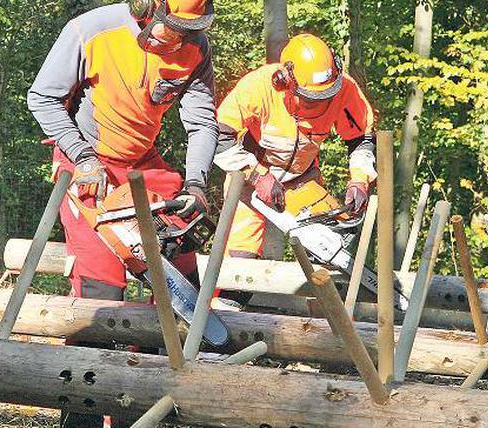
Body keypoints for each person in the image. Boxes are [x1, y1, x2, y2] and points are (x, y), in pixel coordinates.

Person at [27, 1, 218, 426]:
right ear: (147, 9)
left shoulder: (196, 48)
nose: (183, 39)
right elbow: (41, 97)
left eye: (191, 30)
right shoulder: (92, 31)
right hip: (87, 157)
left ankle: (153, 399)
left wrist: (196, 184)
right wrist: (82, 156)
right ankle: (83, 413)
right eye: (175, 29)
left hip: (143, 162)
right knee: (101, 291)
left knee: (181, 264)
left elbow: (203, 123)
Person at [214, 33, 377, 260]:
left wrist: (360, 179)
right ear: (284, 82)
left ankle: (323, 292)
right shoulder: (258, 86)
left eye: (326, 97)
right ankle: (231, 295)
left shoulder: (345, 90)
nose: (320, 103)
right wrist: (256, 176)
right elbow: (219, 137)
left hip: (302, 177)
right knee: (239, 261)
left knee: (332, 246)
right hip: (249, 177)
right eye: (311, 98)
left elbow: (361, 139)